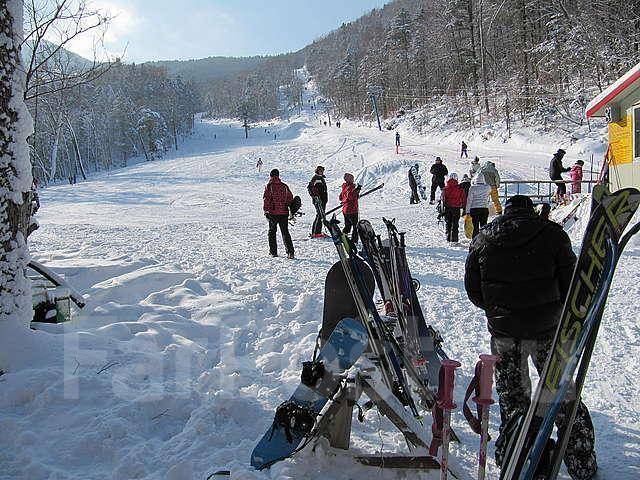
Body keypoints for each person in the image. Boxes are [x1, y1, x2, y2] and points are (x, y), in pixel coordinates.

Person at [464, 195, 597, 480]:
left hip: (504, 334)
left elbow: (474, 290)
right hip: (548, 330)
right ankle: (581, 461)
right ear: (531, 211)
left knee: (513, 399)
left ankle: (520, 455)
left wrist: (499, 310)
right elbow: (573, 282)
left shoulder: (483, 239)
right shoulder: (552, 234)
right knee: (560, 394)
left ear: (505, 213)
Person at [263, 169, 295, 259]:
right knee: (285, 232)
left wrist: (266, 210)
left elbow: (266, 199)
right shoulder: (284, 186)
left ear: (271, 176)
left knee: (272, 232)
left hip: (273, 213)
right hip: (284, 213)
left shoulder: (269, 186)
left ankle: (273, 252)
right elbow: (290, 198)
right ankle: (290, 252)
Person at [441, 173, 466, 244]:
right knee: (455, 224)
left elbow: (443, 199)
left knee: (448, 223)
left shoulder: (445, 188)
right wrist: (464, 207)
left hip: (448, 208)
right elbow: (463, 199)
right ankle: (454, 239)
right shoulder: (460, 188)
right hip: (456, 208)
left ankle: (448, 238)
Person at [465, 173, 491, 238]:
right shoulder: (487, 187)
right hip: (484, 209)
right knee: (484, 226)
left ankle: (475, 240)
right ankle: (484, 240)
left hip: (474, 209)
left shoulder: (472, 188)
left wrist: (467, 211)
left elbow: (469, 200)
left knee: (475, 226)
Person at [339, 173, 361, 244]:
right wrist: (357, 190)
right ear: (348, 179)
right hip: (352, 210)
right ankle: (354, 241)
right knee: (355, 226)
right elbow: (351, 196)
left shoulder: (344, 187)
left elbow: (340, 198)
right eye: (352, 178)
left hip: (345, 210)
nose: (353, 180)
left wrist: (356, 192)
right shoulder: (350, 187)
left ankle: (343, 237)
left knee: (347, 226)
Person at [308, 165, 328, 238]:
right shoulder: (316, 178)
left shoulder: (320, 178)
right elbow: (310, 187)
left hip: (322, 200)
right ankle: (316, 232)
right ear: (317, 171)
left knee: (320, 215)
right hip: (319, 200)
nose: (322, 172)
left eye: (322, 170)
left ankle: (315, 231)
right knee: (320, 215)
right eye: (320, 170)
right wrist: (316, 196)